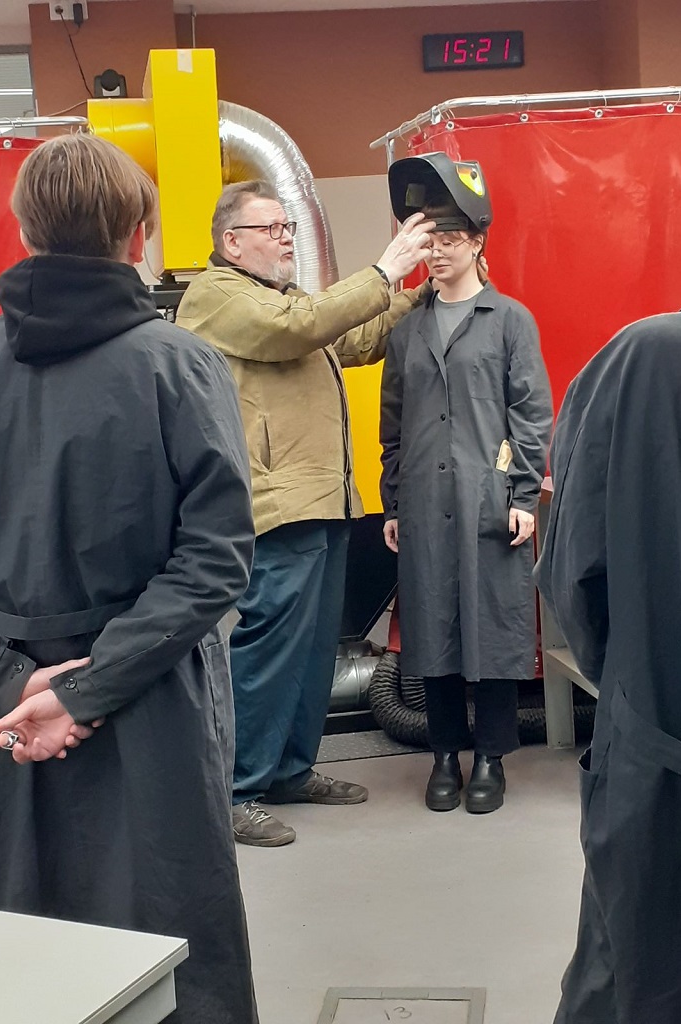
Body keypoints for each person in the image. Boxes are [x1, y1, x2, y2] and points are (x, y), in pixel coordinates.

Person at [0, 134, 258, 1024]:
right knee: (169, 937)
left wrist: (14, 681)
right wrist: (87, 689)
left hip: (4, 709)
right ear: (138, 234)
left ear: (23, 230)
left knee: (22, 942)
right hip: (149, 696)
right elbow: (215, 557)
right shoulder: (179, 364)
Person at [176, 180, 434, 847]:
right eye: (271, 228)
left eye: (287, 226)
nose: (286, 237)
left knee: (316, 648)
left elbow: (356, 339)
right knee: (269, 646)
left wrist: (422, 293)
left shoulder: (286, 300)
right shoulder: (217, 296)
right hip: (276, 504)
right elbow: (295, 329)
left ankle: (290, 769)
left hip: (323, 499)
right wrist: (385, 270)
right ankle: (235, 790)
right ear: (232, 242)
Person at [535, 292, 681, 1024]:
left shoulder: (646, 360)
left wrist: (641, 687)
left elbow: (575, 576)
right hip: (667, 746)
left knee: (646, 970)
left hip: (669, 756)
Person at [380, 153, 552, 815]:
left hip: (488, 500)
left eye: (451, 238)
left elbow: (530, 412)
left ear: (478, 242)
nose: (438, 251)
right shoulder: (407, 328)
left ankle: (491, 757)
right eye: (429, 239)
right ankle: (445, 754)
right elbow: (392, 421)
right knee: (433, 631)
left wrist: (521, 495)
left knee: (494, 630)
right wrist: (394, 502)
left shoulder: (509, 320)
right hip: (425, 504)